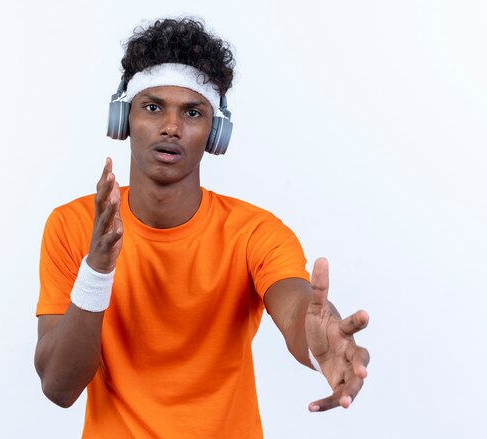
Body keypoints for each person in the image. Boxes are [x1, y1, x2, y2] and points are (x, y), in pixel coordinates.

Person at [34, 17, 370, 438]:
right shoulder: (73, 226)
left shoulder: (254, 232)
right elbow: (59, 387)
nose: (171, 127)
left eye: (192, 112)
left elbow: (294, 305)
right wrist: (97, 269)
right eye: (153, 107)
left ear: (216, 133)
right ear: (122, 118)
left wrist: (320, 343)